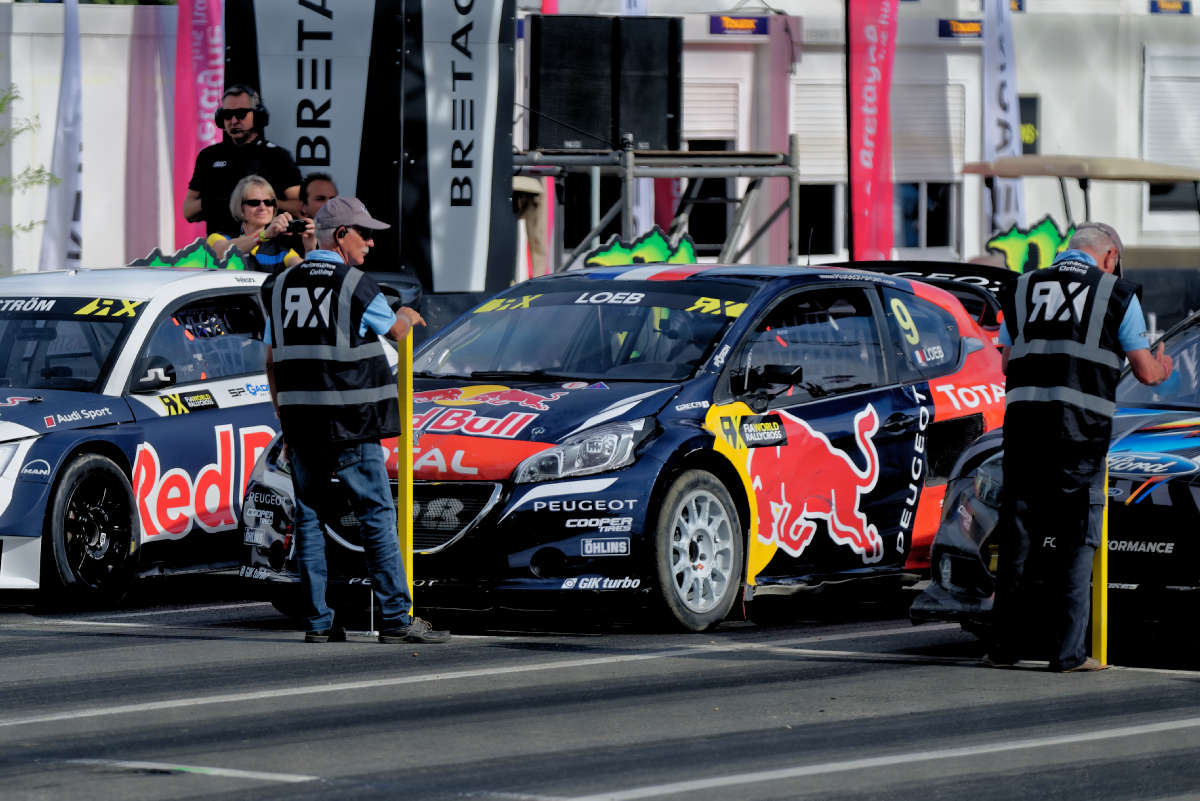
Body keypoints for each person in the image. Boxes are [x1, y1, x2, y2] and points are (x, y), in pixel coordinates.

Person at [262, 195, 450, 645]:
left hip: (302, 425)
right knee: (376, 516)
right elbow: (397, 332)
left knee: (308, 519)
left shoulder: (280, 286)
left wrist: (284, 421)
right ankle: (395, 619)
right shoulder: (354, 284)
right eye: (363, 233)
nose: (370, 241)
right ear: (340, 236)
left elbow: (271, 359)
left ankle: (319, 623)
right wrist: (404, 312)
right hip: (352, 424)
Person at [986, 222, 1172, 672]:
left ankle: (1004, 650)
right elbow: (1146, 373)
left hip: (1025, 431)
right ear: (1109, 255)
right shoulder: (1116, 292)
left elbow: (1008, 360)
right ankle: (1067, 654)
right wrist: (1164, 365)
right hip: (1079, 435)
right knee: (1076, 543)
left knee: (1019, 541)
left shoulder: (1023, 286)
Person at [183, 85, 302, 237]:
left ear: (258, 115)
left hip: (266, 250)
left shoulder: (277, 156)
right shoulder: (209, 156)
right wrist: (217, 199)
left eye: (241, 114)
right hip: (221, 250)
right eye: (227, 115)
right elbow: (188, 210)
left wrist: (259, 202)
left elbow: (299, 208)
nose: (233, 120)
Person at [206, 175, 313, 273]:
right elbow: (222, 252)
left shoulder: (280, 252)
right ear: (240, 207)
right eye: (254, 203)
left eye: (268, 202)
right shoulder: (218, 237)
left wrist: (310, 249)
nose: (262, 208)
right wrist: (264, 235)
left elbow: (308, 276)